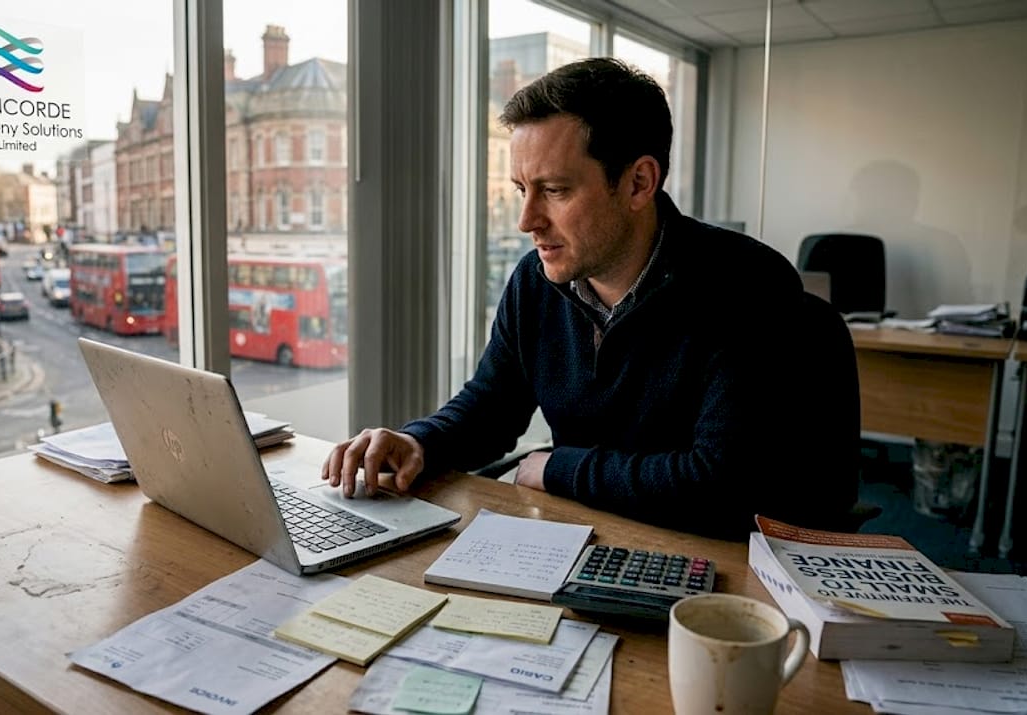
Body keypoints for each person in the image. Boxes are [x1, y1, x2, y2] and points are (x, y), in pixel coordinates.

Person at [322, 58, 850, 539]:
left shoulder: (747, 285)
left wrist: (556, 467)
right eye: (520, 190)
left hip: (717, 558)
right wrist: (419, 443)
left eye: (554, 191)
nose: (527, 221)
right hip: (586, 531)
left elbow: (721, 483)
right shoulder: (537, 279)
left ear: (639, 182)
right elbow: (491, 407)